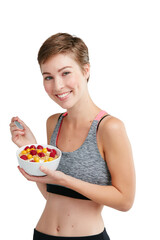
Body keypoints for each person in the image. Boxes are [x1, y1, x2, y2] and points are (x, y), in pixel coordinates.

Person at [10, 33, 135, 240]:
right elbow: (53, 195)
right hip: (42, 234)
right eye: (48, 77)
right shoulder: (54, 123)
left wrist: (66, 180)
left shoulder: (109, 128)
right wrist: (31, 149)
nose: (57, 86)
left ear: (86, 70)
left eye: (65, 73)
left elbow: (125, 201)